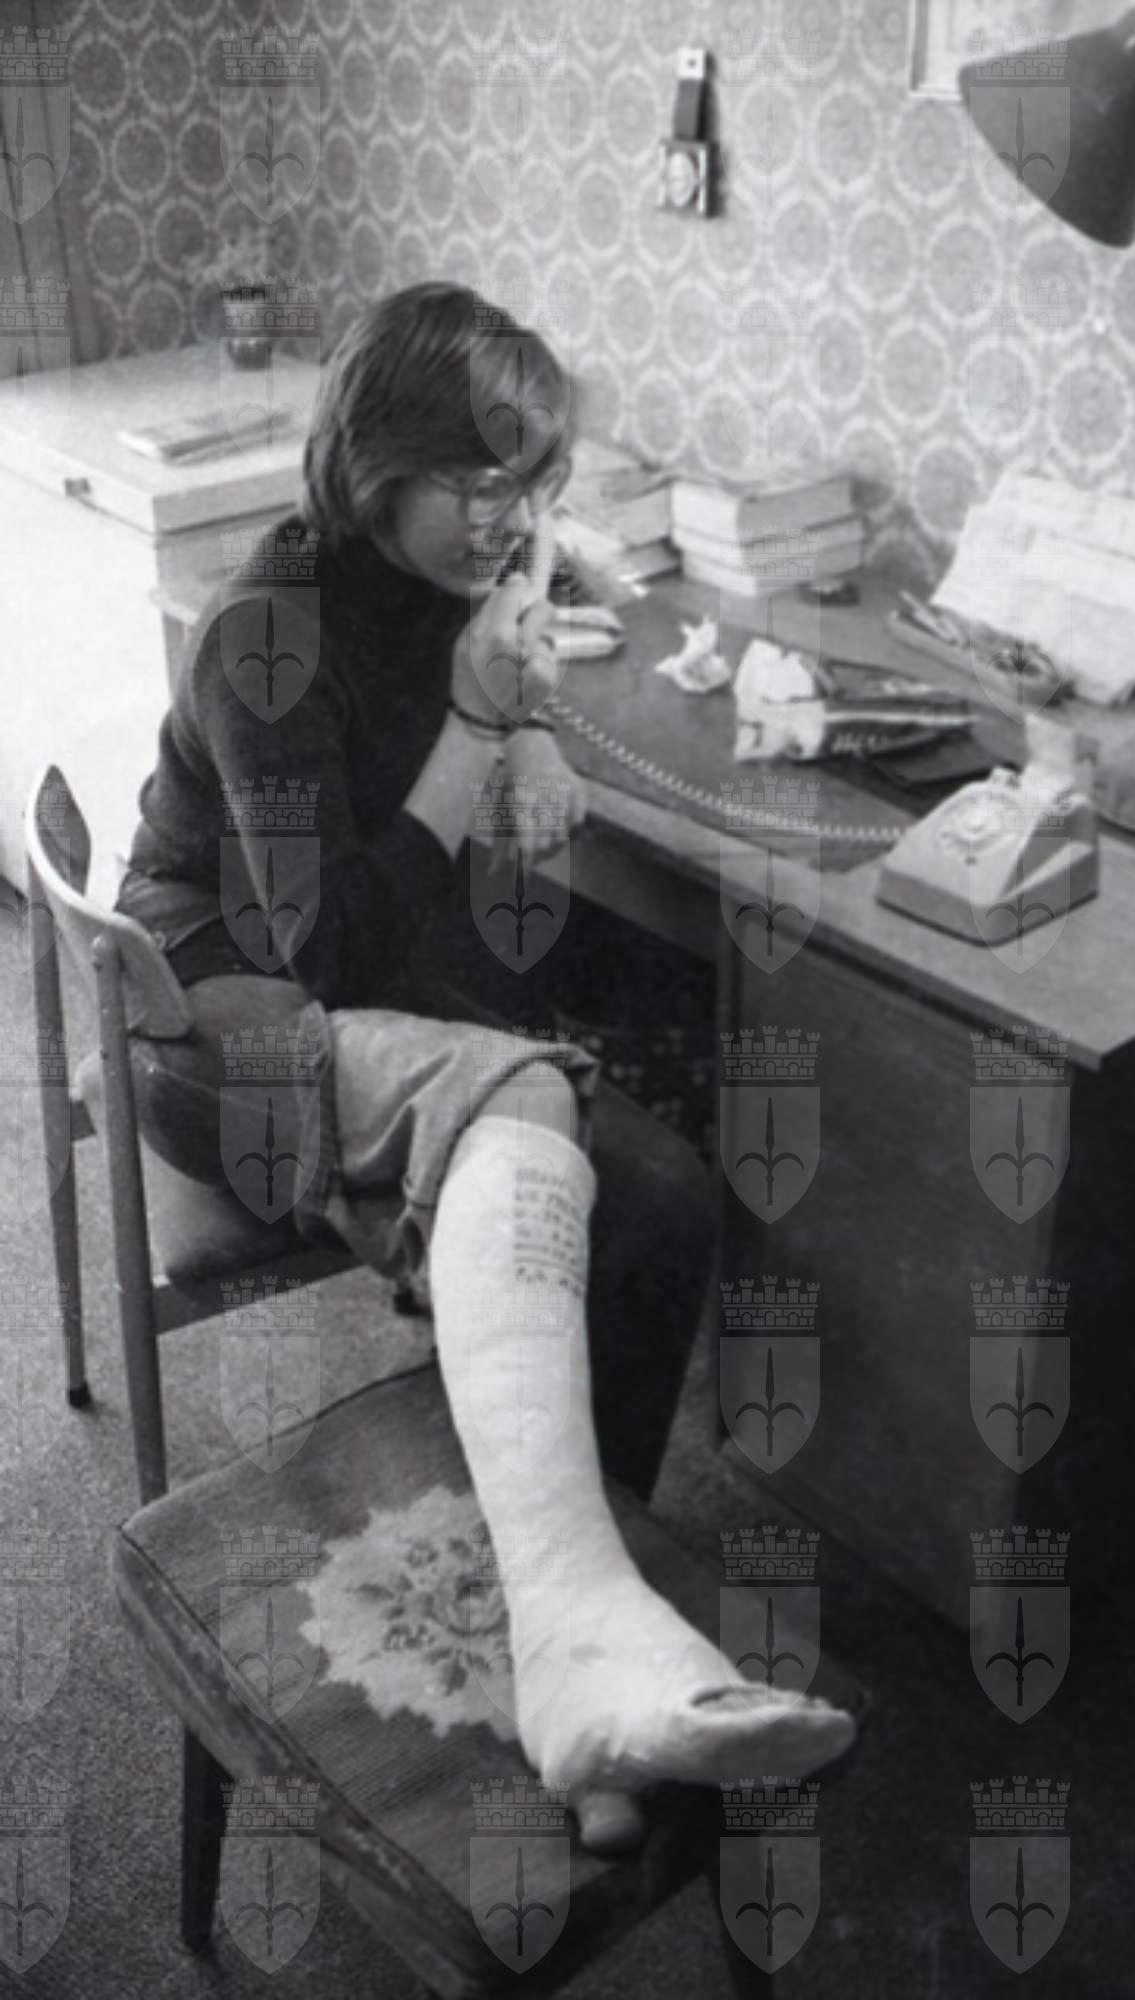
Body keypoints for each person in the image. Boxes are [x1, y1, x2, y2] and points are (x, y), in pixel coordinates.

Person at [115, 283, 855, 1850]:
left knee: (662, 1141)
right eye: (474, 479)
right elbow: (326, 951)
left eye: (531, 482)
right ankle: (571, 1619)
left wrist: (525, 732)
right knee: (615, 1176)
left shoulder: (446, 571)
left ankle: (581, 1601)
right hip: (219, 1025)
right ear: (374, 464)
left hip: (370, 980)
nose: (509, 519)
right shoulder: (263, 636)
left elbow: (470, 705)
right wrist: (477, 721)